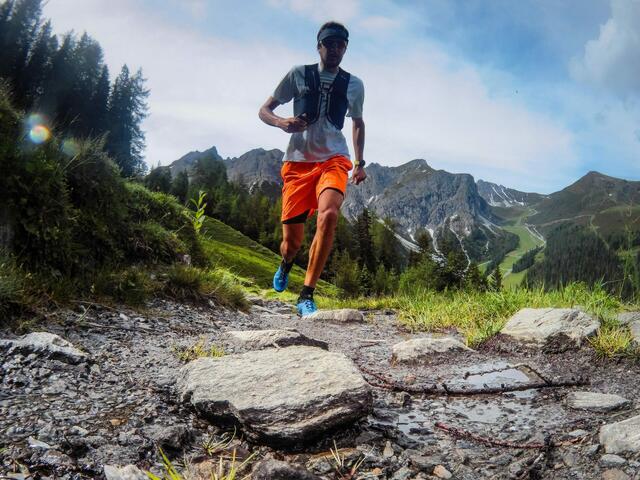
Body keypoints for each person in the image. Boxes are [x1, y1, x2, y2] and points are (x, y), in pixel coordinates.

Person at [258, 21, 366, 316]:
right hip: (297, 163)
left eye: (340, 45)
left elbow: (357, 122)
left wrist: (358, 163)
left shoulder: (354, 84)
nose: (334, 49)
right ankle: (286, 263)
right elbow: (264, 110)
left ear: (345, 48)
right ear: (319, 46)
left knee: (329, 215)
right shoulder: (298, 74)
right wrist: (281, 123)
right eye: (329, 43)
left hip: (334, 159)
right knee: (290, 243)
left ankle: (306, 294)